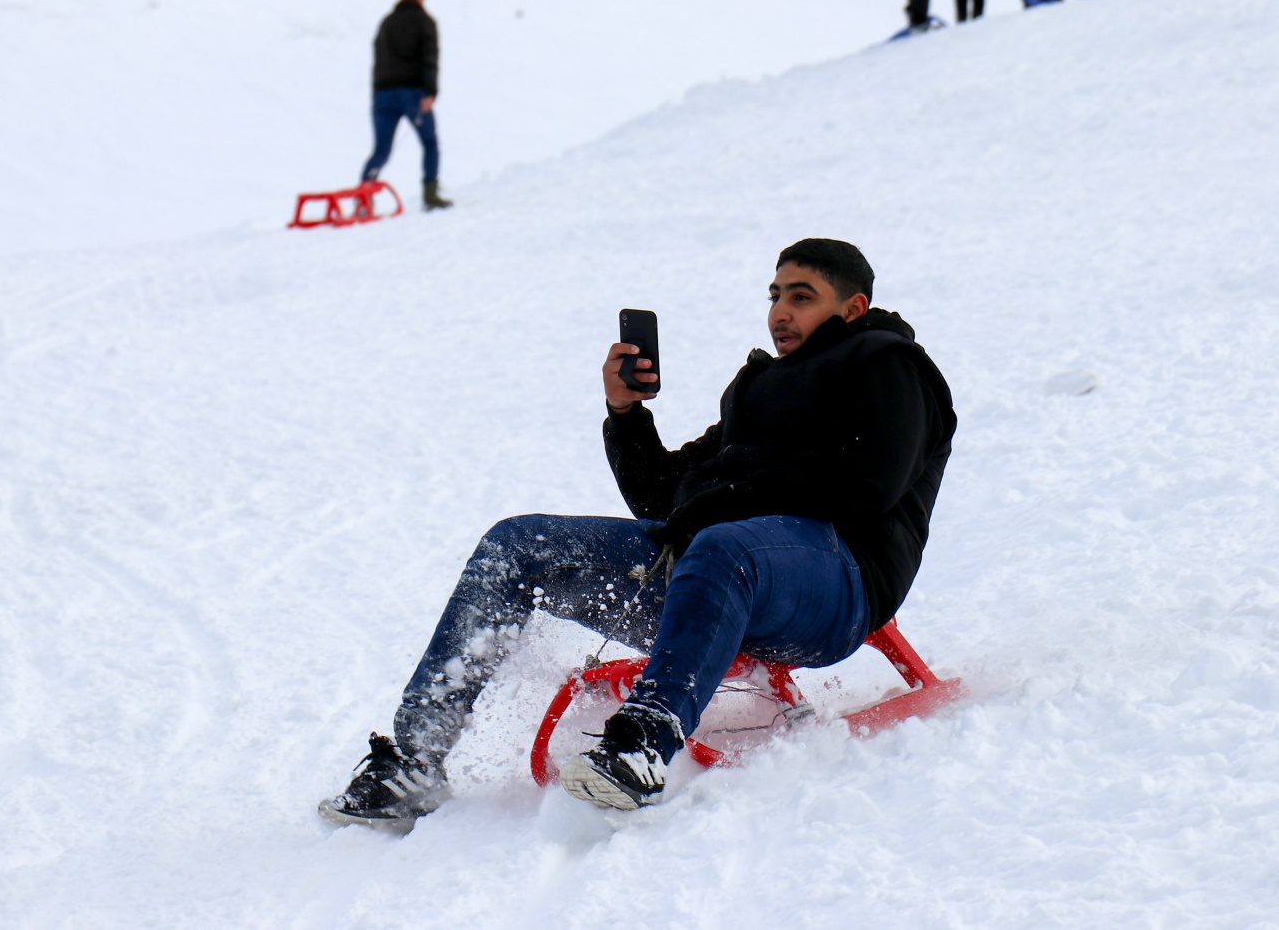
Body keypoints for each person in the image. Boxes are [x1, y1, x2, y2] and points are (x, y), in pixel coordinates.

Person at [318, 239, 957, 821]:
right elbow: (662, 494)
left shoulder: (889, 364)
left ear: (853, 307)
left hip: (836, 580)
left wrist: (726, 502)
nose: (780, 312)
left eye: (801, 296)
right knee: (518, 545)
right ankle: (414, 761)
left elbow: (872, 483)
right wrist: (625, 413)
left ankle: (644, 746)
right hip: (717, 572)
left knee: (721, 544)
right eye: (774, 295)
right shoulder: (760, 388)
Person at [361, 0, 453, 211]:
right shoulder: (425, 22)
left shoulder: (386, 23)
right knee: (429, 142)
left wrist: (379, 92)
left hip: (382, 95)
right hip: (412, 94)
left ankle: (363, 198)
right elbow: (430, 58)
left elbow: (378, 56)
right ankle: (430, 194)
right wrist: (430, 92)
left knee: (381, 150)